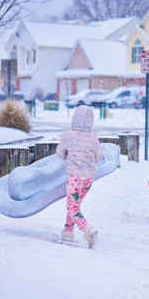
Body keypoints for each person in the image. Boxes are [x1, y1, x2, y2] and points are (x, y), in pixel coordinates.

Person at [56, 105, 103, 248]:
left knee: (72, 207)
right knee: (75, 205)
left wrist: (68, 154)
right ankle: (68, 230)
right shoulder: (93, 138)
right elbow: (99, 157)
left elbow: (60, 153)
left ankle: (87, 229)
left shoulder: (67, 135)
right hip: (88, 179)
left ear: (74, 119)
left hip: (74, 178)